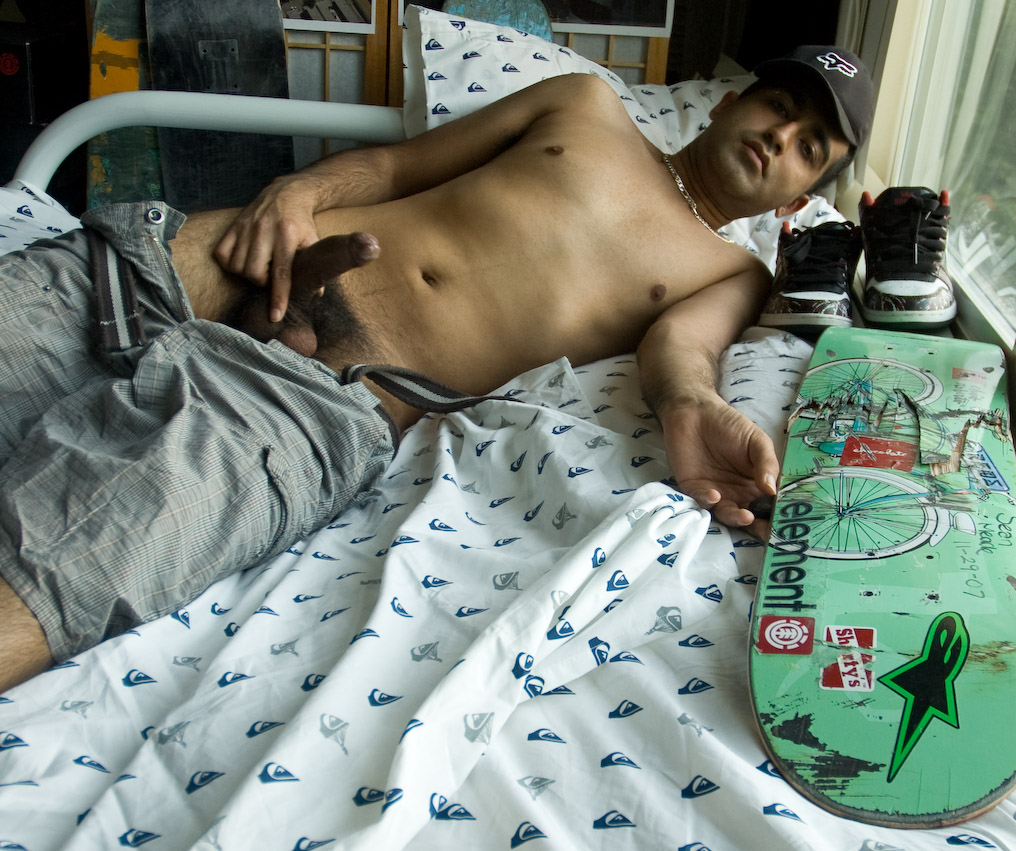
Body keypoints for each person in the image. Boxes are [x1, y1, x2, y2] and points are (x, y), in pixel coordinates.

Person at [0, 45, 874, 692]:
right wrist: (298, 193)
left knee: (74, 573)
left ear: (798, 200)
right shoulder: (584, 105)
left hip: (313, 399)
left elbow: (680, 351)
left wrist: (689, 407)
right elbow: (393, 165)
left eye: (808, 147)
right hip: (205, 267)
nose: (780, 136)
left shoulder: (733, 273)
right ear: (728, 104)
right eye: (778, 107)